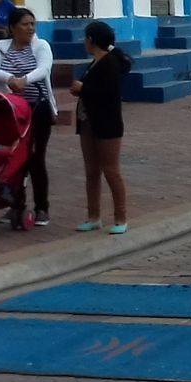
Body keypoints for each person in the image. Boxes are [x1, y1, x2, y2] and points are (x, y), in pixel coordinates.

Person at [0, 7, 55, 226]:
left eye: (33, 24)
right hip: (12, 110)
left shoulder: (41, 46)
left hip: (37, 109)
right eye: (25, 24)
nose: (30, 28)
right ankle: (16, 205)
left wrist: (24, 80)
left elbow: (43, 69)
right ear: (13, 28)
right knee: (14, 158)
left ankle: (42, 208)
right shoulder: (0, 47)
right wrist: (10, 79)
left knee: (35, 157)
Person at [70, 20, 132, 234]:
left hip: (107, 125)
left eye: (85, 38)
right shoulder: (95, 62)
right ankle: (93, 216)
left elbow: (108, 94)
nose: (84, 42)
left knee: (111, 170)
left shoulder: (110, 63)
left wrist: (83, 89)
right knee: (92, 171)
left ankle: (121, 218)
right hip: (88, 122)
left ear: (91, 40)